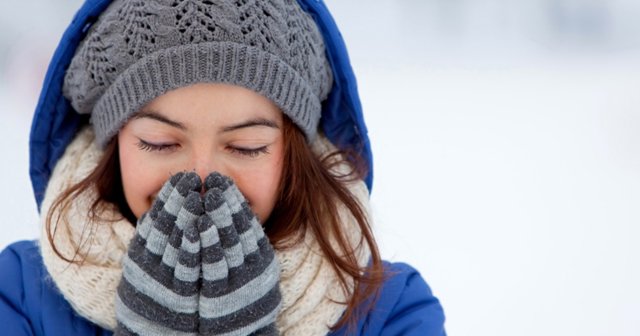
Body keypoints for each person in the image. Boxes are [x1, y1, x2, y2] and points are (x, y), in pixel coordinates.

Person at [0, 0, 446, 335]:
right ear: (113, 143)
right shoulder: (19, 293)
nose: (199, 177)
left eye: (247, 146)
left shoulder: (390, 312)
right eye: (160, 142)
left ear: (294, 154)